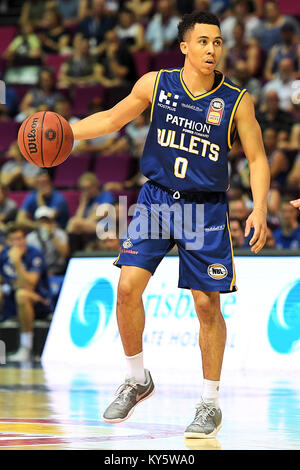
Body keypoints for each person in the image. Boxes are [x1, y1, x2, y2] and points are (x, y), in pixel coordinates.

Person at [70, 11, 270, 439]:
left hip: (204, 209)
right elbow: (109, 119)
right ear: (184, 47)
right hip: (156, 199)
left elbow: (257, 158)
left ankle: (210, 404)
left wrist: (259, 208)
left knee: (206, 306)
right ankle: (136, 379)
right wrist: (70, 134)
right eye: (202, 42)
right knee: (126, 289)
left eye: (217, 42)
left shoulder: (236, 100)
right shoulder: (155, 84)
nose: (211, 49)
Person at [0, 223, 52, 361]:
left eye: (21, 238)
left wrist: (16, 262)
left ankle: (26, 348)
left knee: (22, 295)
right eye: (14, 240)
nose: (18, 243)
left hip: (39, 301)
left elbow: (29, 284)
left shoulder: (34, 254)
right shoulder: (4, 254)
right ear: (8, 242)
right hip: (13, 298)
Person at [66, 173, 115, 254]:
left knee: (74, 223)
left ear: (95, 185)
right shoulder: (87, 201)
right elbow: (78, 218)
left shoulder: (105, 195)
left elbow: (104, 211)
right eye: (83, 189)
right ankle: (74, 254)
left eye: (88, 188)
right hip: (89, 227)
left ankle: (70, 255)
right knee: (74, 224)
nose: (86, 191)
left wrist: (85, 222)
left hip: (106, 227)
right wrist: (83, 203)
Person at [26, 206, 69, 275]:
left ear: (52, 221)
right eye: (42, 221)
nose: (44, 224)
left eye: (47, 221)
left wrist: (52, 236)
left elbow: (65, 254)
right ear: (37, 222)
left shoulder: (60, 234)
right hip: (38, 270)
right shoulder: (30, 238)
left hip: (58, 270)